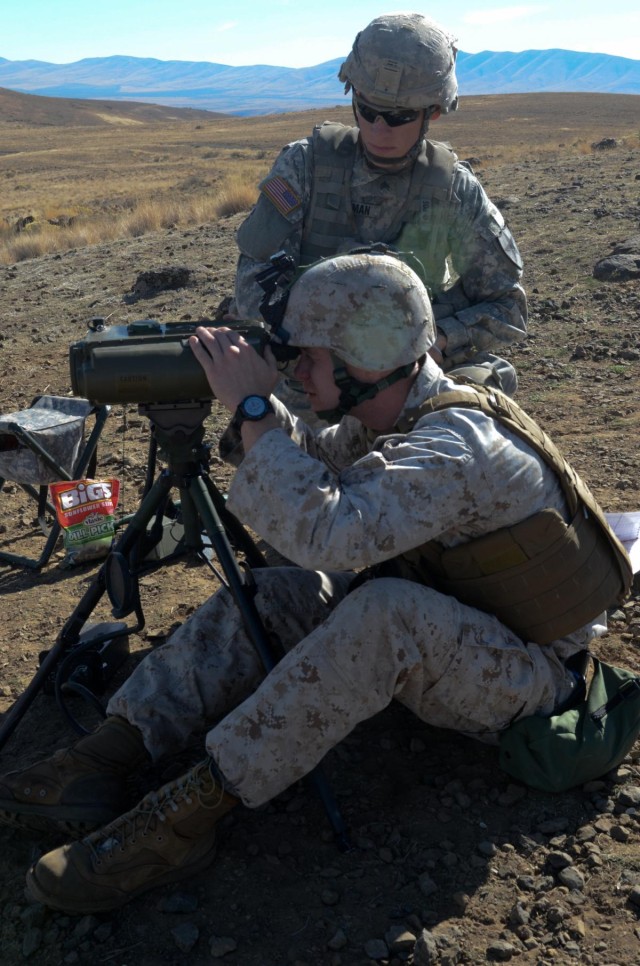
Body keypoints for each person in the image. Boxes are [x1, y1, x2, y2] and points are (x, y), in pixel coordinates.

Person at [0, 252, 626, 915]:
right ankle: (112, 749)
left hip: (528, 677)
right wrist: (256, 406)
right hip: (465, 625)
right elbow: (312, 460)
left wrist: (251, 406)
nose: (297, 370)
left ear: (368, 355)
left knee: (382, 610)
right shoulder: (397, 407)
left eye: (311, 357)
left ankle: (181, 822)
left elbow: (331, 534)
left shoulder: (456, 446)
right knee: (279, 591)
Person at [232, 12, 527, 395]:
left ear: (433, 112)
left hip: (408, 377)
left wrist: (436, 341)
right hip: (308, 377)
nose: (378, 129)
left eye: (398, 116)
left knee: (486, 387)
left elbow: (506, 306)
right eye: (368, 110)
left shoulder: (453, 187)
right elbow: (252, 287)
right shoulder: (304, 166)